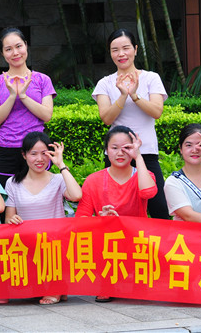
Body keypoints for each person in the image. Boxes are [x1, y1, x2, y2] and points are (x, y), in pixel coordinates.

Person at [93, 28, 169, 220]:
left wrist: (134, 95)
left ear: (135, 49)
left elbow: (156, 111)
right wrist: (123, 95)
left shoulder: (151, 78)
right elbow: (107, 118)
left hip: (147, 152)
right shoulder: (105, 83)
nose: (121, 54)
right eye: (115, 50)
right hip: (116, 155)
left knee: (159, 207)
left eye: (126, 48)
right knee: (115, 209)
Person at [76, 126, 157, 302]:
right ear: (106, 150)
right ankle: (107, 283)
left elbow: (148, 192)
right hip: (105, 245)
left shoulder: (144, 175)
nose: (120, 153)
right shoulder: (93, 180)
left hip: (136, 242)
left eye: (126, 148)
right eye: (114, 148)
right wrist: (100, 219)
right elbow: (80, 219)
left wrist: (139, 157)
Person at [5, 131, 82, 305]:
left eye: (44, 153)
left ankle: (56, 285)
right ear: (24, 155)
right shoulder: (12, 183)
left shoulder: (58, 179)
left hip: (55, 245)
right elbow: (9, 218)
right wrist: (13, 219)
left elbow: (77, 195)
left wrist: (61, 165)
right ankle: (54, 286)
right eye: (33, 153)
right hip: (28, 244)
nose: (39, 159)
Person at [0, 28, 56, 187]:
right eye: (8, 49)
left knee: (40, 197)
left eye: (19, 46)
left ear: (26, 46)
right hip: (7, 149)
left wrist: (23, 96)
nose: (15, 52)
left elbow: (47, 115)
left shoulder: (43, 80)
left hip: (37, 149)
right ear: (2, 54)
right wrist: (12, 96)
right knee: (6, 202)